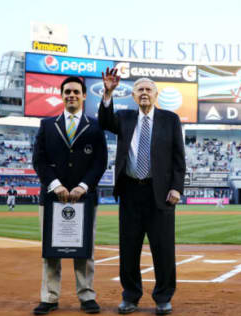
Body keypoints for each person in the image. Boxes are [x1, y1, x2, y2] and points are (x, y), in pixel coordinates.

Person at [98, 68, 185, 315]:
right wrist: (107, 93)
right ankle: (130, 296)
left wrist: (177, 188)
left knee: (164, 249)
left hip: (160, 194)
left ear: (156, 94)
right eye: (140, 90)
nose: (144, 93)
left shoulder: (170, 119)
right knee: (129, 248)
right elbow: (104, 121)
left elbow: (179, 158)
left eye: (148, 89)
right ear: (134, 96)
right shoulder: (124, 118)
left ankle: (163, 297)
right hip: (130, 193)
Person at [32, 76, 108, 315]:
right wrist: (56, 185)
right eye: (67, 92)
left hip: (84, 198)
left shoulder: (95, 126)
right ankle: (49, 297)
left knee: (84, 249)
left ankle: (86, 296)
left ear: (84, 95)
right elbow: (39, 160)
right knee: (51, 249)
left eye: (76, 91)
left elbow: (100, 161)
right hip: (52, 196)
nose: (71, 95)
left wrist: (82, 186)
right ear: (61, 95)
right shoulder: (47, 125)